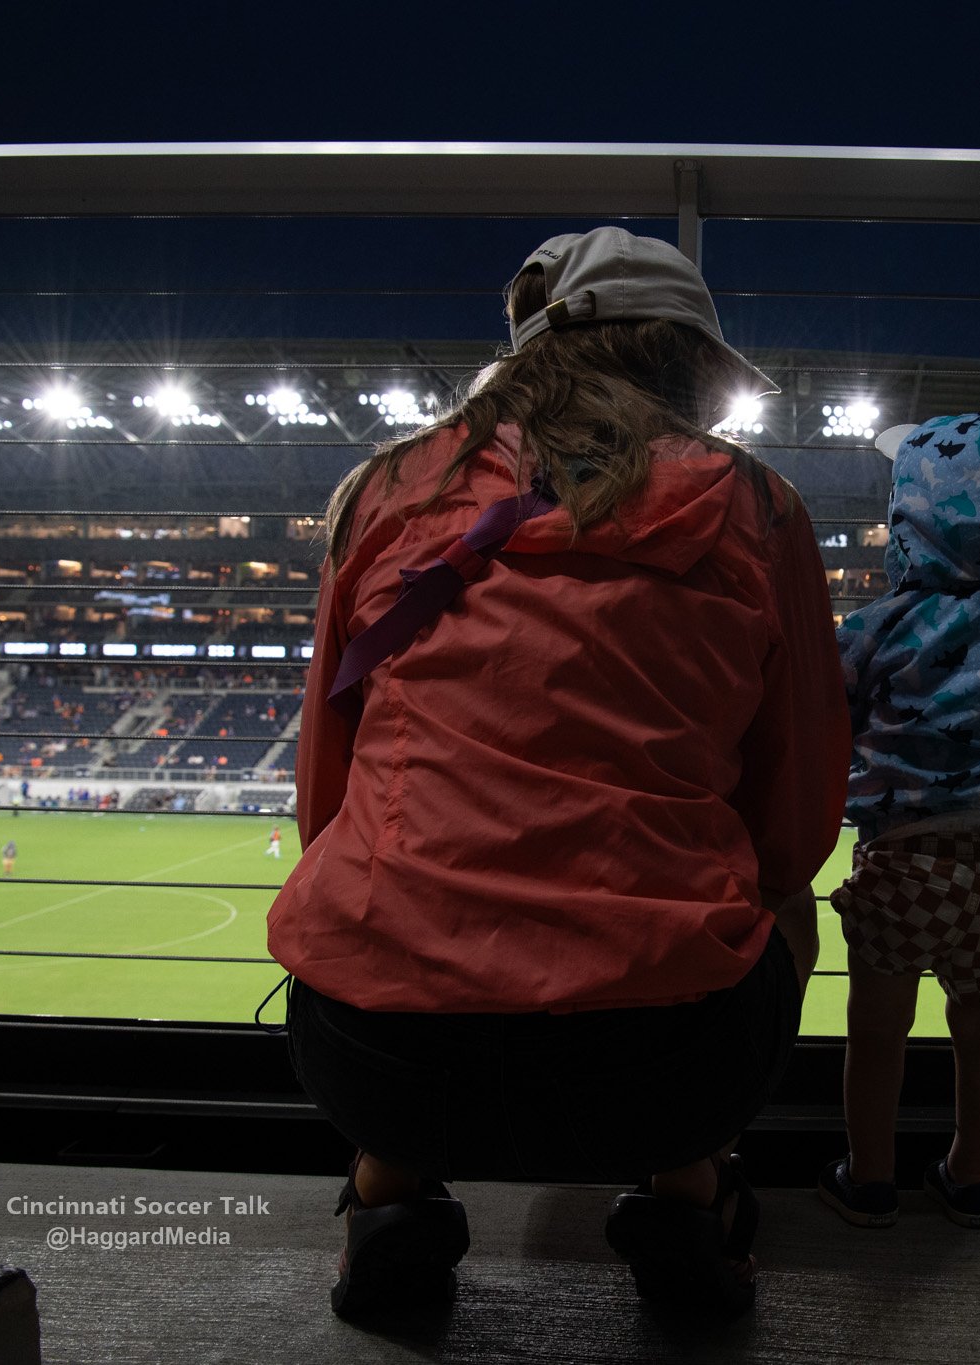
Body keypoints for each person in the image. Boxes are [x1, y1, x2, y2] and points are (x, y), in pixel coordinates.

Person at [267, 227, 848, 1319]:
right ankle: (686, 1191)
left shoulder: (389, 491)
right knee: (780, 903)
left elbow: (325, 790)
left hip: (379, 1053)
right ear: (692, 370)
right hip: (670, 1059)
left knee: (375, 903)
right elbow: (798, 806)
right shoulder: (756, 509)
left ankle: (386, 1197)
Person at [817, 412, 980, 1231]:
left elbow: (836, 703)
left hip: (904, 860)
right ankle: (972, 1174)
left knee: (877, 1032)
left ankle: (869, 1177)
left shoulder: (877, 626)